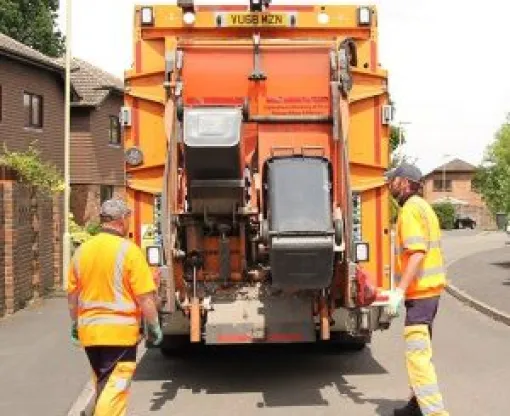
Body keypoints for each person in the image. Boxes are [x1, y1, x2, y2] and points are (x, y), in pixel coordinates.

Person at [67, 199, 163, 416]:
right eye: (127, 218)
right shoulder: (129, 251)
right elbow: (145, 297)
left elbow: (72, 296)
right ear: (121, 221)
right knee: (116, 387)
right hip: (119, 334)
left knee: (103, 381)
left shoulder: (81, 251)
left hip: (90, 333)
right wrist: (154, 325)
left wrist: (75, 323)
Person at [386, 163, 449, 416]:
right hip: (429, 294)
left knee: (417, 357)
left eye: (394, 180)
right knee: (421, 352)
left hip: (420, 295)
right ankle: (416, 406)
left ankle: (435, 413)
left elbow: (416, 254)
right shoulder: (424, 208)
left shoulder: (410, 210)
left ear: (405, 182)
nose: (391, 185)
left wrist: (399, 291)